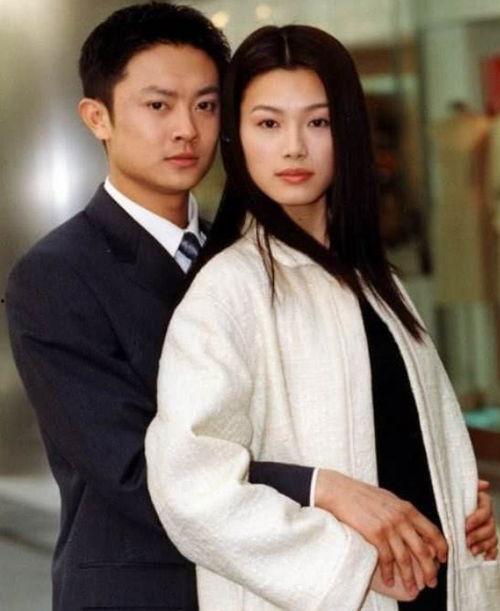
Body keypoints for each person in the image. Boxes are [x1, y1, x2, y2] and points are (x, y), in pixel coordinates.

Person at [145, 25, 500, 610]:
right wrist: (348, 566)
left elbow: (405, 436)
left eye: (318, 122)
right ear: (236, 136)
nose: (294, 147)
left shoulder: (376, 281)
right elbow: (190, 487)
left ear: (348, 132)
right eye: (268, 124)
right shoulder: (229, 290)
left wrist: (460, 500)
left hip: (430, 589)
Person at [5, 6, 319, 610]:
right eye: (158, 105)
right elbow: (136, 471)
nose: (187, 130)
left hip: (269, 587)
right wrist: (319, 489)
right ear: (97, 117)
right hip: (142, 589)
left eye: (206, 105)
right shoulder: (54, 277)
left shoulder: (251, 253)